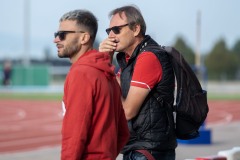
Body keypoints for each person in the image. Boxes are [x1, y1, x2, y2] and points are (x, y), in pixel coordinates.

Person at [99, 5, 177, 160]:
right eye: (109, 31)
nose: (111, 36)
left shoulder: (148, 57)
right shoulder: (128, 60)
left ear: (135, 29)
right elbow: (114, 96)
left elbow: (127, 111)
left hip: (148, 150)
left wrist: (106, 68)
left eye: (117, 30)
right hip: (138, 147)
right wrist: (106, 60)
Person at [53, 9, 129, 160]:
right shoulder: (106, 73)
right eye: (56, 35)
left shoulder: (81, 73)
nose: (56, 40)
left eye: (62, 35)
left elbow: (74, 134)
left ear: (84, 38)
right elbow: (123, 132)